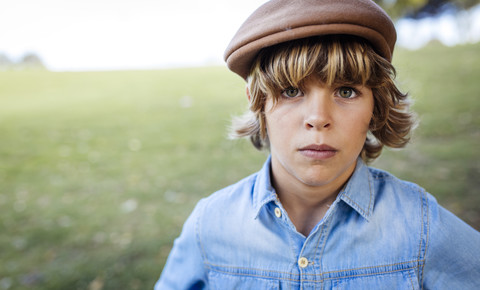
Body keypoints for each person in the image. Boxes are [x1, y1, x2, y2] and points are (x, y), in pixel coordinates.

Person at [155, 0, 480, 288]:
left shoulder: (420, 226)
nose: (319, 118)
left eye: (346, 91)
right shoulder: (210, 225)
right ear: (258, 104)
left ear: (375, 106)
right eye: (292, 91)